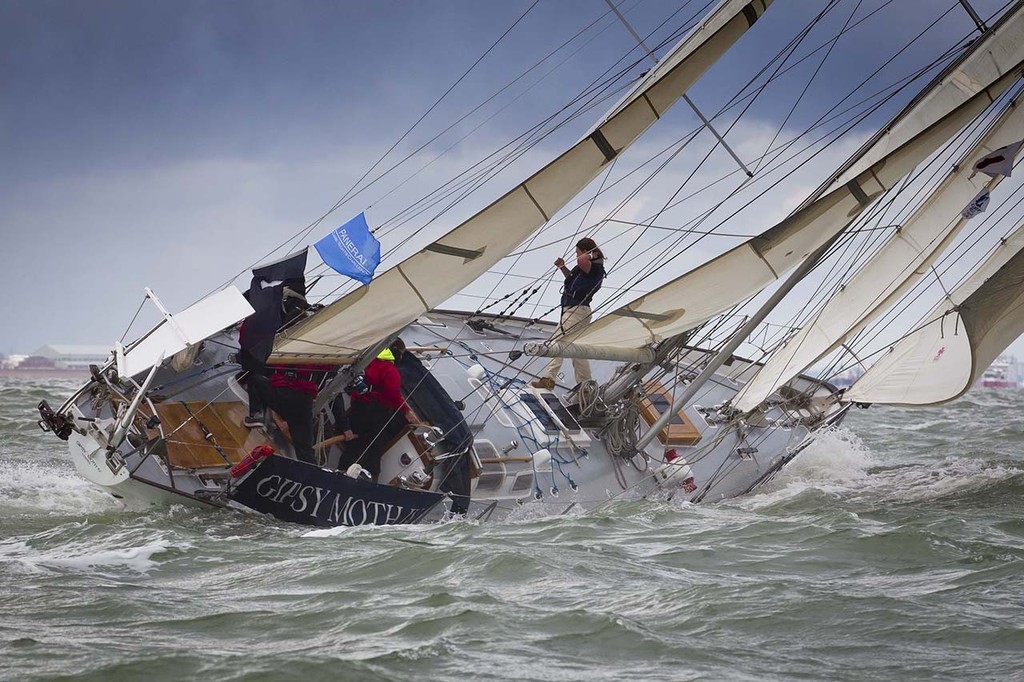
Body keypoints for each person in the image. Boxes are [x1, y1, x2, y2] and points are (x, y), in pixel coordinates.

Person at [242, 286, 342, 465]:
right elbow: (331, 369)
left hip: (281, 395)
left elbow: (269, 364)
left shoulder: (290, 346)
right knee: (304, 448)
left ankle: (257, 416)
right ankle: (309, 474)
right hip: (303, 403)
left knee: (256, 380)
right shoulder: (322, 356)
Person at [531, 237, 605, 390]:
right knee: (577, 351)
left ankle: (548, 378)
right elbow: (572, 278)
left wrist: (593, 254)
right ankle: (586, 386)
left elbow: (583, 260)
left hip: (576, 310)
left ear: (586, 251)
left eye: (578, 252)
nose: (577, 256)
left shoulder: (593, 266)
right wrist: (563, 267)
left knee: (557, 341)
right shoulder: (587, 268)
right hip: (578, 310)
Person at [341, 338, 418, 480]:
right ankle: (371, 479)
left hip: (357, 408)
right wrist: (407, 411)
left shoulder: (368, 361)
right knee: (375, 447)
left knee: (353, 445)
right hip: (374, 413)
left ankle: (342, 471)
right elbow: (393, 394)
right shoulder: (390, 370)